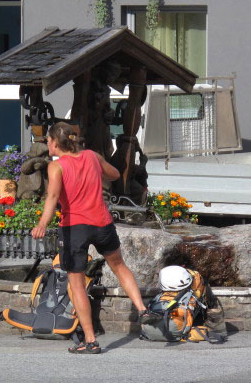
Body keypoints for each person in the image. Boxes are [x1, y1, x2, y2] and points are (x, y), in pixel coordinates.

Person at [31, 122, 155, 354]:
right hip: (102, 222)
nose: (47, 144)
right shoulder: (91, 156)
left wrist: (41, 224)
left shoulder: (56, 168)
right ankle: (142, 309)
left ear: (56, 143)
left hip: (74, 227)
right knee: (118, 265)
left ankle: (90, 341)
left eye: (48, 140)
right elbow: (115, 174)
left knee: (76, 284)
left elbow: (53, 197)